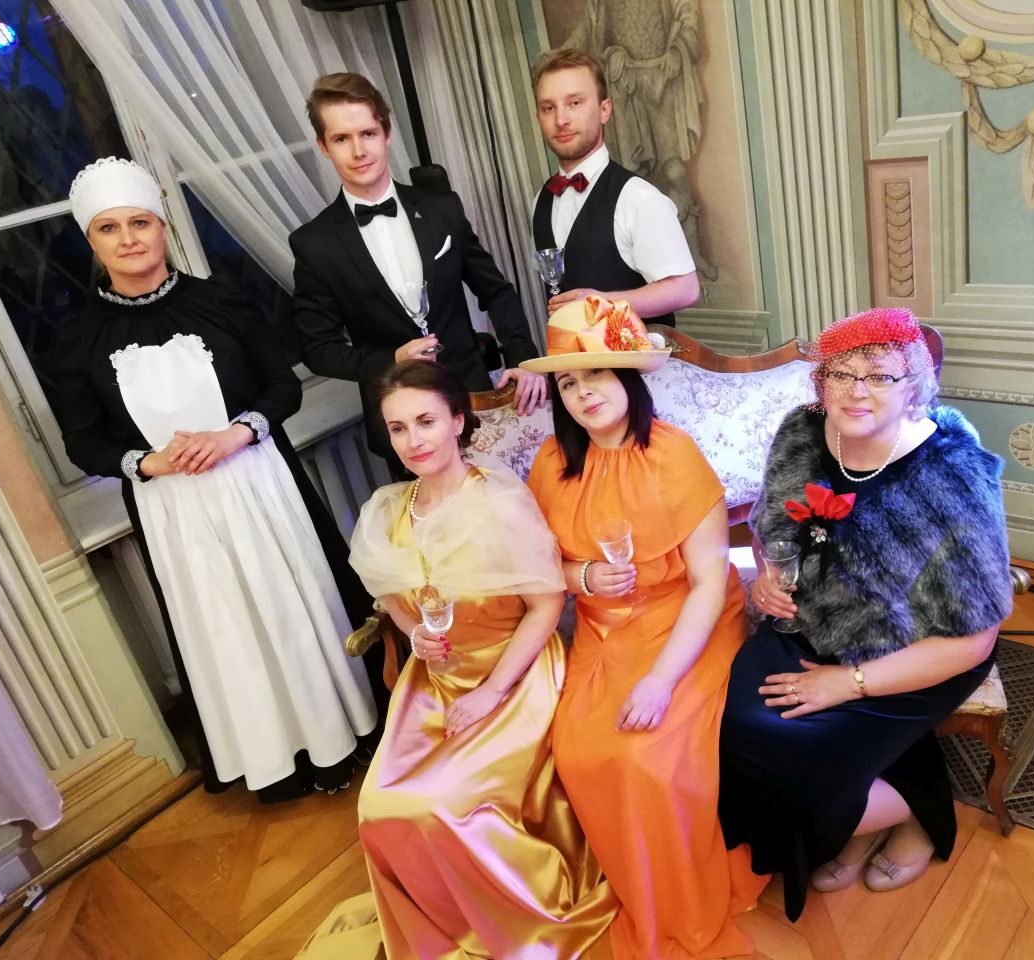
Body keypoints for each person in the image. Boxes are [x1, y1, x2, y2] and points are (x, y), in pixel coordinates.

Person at [48, 158, 378, 802]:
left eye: (141, 222)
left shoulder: (222, 300)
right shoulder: (76, 338)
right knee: (225, 634)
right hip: (173, 513)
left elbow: (282, 386)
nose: (129, 239)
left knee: (296, 609)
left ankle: (349, 730)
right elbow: (82, 441)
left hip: (258, 484)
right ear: (91, 241)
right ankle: (277, 763)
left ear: (163, 226)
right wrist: (146, 463)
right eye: (110, 228)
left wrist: (236, 433)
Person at [298, 360, 617, 959]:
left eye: (426, 421)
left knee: (438, 804)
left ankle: (510, 921)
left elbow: (546, 607)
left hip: (513, 676)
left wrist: (491, 694)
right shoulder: (387, 509)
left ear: (458, 422)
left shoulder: (499, 503)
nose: (413, 440)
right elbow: (395, 602)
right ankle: (447, 921)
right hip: (434, 680)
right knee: (378, 806)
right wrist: (416, 634)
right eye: (397, 428)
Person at [718, 307, 1013, 921]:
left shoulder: (953, 477)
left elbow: (974, 641)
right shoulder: (801, 433)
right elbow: (768, 530)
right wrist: (767, 578)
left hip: (914, 652)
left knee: (791, 754)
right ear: (821, 381)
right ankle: (871, 807)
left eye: (880, 375)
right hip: (805, 625)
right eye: (841, 373)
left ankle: (916, 810)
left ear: (915, 386)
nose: (856, 390)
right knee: (737, 728)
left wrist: (846, 683)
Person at [523, 298, 764, 959]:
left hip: (688, 621)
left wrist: (661, 681)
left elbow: (710, 582)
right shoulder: (552, 462)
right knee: (577, 751)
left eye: (596, 374)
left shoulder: (673, 454)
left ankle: (679, 899)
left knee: (647, 758)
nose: (582, 393)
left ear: (627, 376)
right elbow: (540, 567)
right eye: (568, 383)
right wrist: (583, 578)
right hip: (602, 629)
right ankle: (634, 880)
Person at [291, 72, 548, 476]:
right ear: (324, 146)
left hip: (476, 406)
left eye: (368, 134)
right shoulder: (314, 243)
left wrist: (523, 358)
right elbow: (319, 350)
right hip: (400, 431)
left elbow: (496, 291)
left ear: (386, 133)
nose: (358, 151)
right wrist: (390, 360)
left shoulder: (441, 208)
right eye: (341, 139)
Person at [530, 49, 699, 326]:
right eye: (549, 107)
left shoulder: (639, 198)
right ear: (539, 117)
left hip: (636, 355)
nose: (561, 120)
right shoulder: (541, 201)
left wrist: (603, 304)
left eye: (575, 103)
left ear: (604, 110)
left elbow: (686, 289)